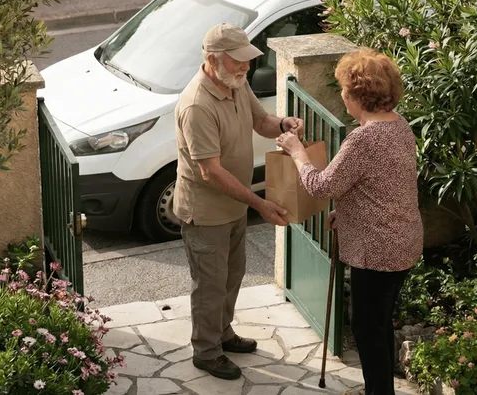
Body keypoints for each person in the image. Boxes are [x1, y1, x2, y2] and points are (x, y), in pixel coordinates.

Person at [276, 47, 423, 395]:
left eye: (344, 88)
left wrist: (297, 152)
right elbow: (383, 184)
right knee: (379, 322)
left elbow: (321, 185)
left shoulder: (362, 138)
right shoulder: (399, 126)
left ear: (359, 94)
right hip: (402, 242)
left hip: (376, 253)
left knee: (366, 330)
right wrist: (348, 211)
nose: (341, 94)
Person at [174, 22, 301, 380]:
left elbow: (260, 120)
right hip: (206, 212)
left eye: (247, 60)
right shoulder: (197, 105)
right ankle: (207, 351)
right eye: (237, 62)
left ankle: (223, 334)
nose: (245, 67)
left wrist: (283, 124)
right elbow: (210, 172)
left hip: (233, 206)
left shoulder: (236, 83)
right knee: (211, 286)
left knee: (232, 277)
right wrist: (259, 204)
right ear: (213, 60)